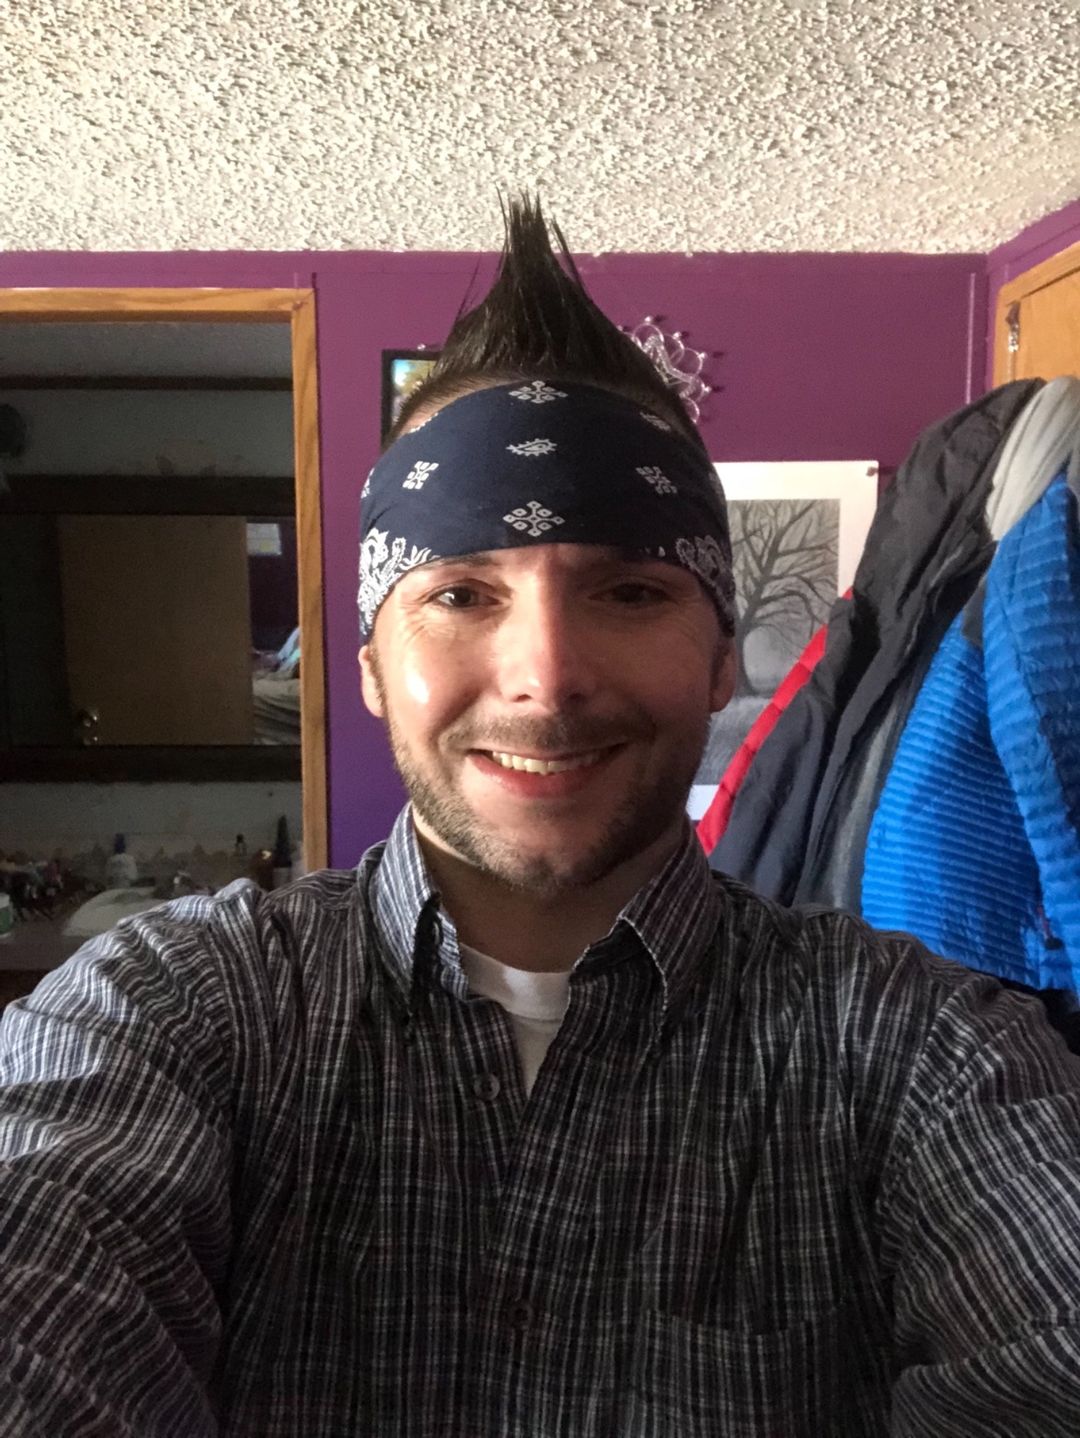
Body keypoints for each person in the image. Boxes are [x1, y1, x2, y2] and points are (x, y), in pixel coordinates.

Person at [2, 197, 1080, 1438]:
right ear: (369, 664)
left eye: (630, 591)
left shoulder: (922, 1051)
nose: (547, 675)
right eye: (463, 593)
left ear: (719, 658)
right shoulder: (174, 1012)